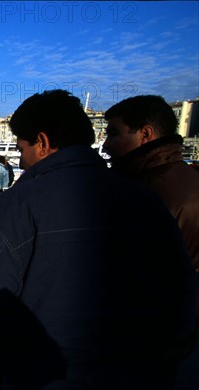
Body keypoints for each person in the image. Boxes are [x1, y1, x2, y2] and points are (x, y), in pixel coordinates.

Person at [0, 90, 197, 389]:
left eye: (22, 149)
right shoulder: (146, 199)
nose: (21, 160)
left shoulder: (12, 209)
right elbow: (184, 296)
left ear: (42, 143)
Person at [103, 95, 199, 388]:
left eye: (114, 133)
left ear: (145, 134)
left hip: (147, 343)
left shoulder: (145, 194)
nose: (105, 144)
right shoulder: (187, 178)